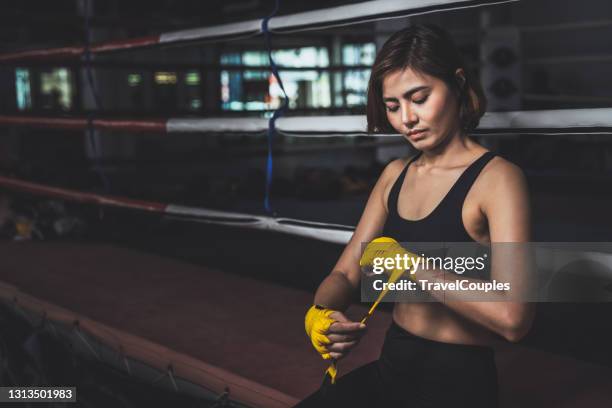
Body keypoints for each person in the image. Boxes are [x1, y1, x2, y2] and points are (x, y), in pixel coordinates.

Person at [297, 24, 535, 407]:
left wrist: (412, 267)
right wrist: (322, 315)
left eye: (419, 98)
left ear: (457, 84)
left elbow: (514, 317)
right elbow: (344, 274)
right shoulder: (394, 174)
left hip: (458, 384)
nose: (406, 118)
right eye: (393, 106)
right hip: (392, 364)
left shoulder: (498, 180)